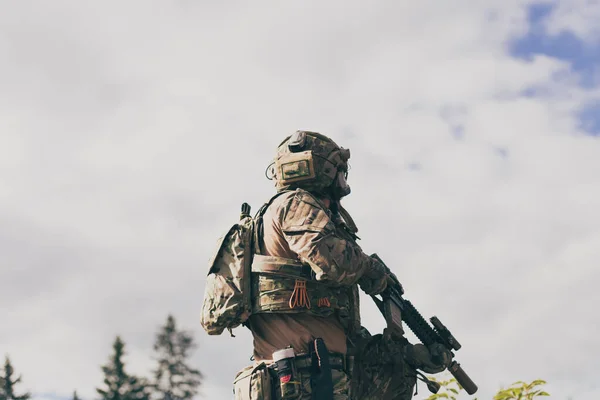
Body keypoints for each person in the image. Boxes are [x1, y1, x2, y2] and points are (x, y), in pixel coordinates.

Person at [227, 131, 451, 399]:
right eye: (340, 171)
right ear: (324, 171)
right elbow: (332, 261)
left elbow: (352, 343)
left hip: (321, 379)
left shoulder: (292, 219)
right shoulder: (295, 203)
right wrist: (372, 271)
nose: (344, 181)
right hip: (301, 381)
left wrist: (411, 355)